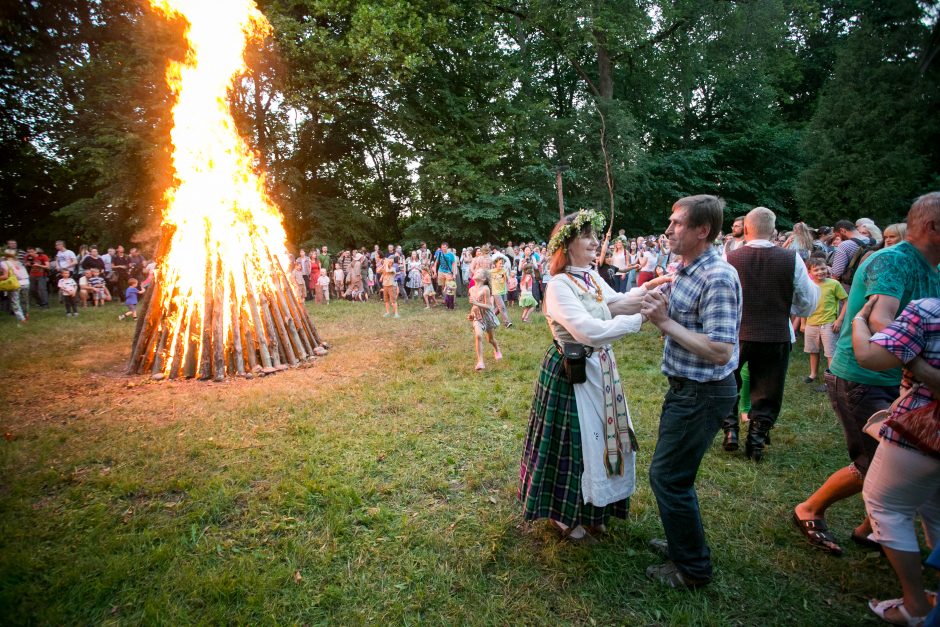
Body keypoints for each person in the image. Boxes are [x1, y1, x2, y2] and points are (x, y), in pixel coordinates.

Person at [794, 192, 940, 557]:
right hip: (861, 376)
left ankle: (872, 527)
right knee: (874, 460)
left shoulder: (932, 269)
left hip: (900, 381)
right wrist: (921, 367)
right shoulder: (891, 261)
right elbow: (880, 320)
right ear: (933, 227)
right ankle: (809, 509)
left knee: (903, 460)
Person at [519, 209, 651, 545]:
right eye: (588, 236)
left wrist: (649, 293)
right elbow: (589, 331)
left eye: (596, 236)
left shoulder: (590, 277)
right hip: (571, 372)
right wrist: (638, 321)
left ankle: (595, 512)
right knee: (576, 442)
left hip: (600, 370)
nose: (596, 242)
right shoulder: (559, 285)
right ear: (568, 244)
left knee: (604, 437)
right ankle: (565, 518)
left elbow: (616, 302)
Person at [640, 194, 742, 589]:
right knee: (673, 474)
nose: (668, 230)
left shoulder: (716, 276)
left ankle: (693, 569)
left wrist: (664, 322)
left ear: (703, 230)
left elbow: (720, 350)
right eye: (671, 221)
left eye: (678, 223)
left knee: (668, 477)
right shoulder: (687, 268)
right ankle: (682, 544)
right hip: (687, 389)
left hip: (703, 392)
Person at [852, 296, 940, 626]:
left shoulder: (929, 311)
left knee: (886, 505)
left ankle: (915, 605)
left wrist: (859, 321)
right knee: (934, 506)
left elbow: (869, 356)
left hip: (923, 429)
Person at [722, 207, 819, 460]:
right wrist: (783, 306)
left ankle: (730, 428)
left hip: (737, 332)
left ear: (746, 229)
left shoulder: (730, 258)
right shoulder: (790, 259)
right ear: (773, 230)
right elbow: (808, 301)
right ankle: (755, 440)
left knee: (729, 380)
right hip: (775, 331)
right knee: (769, 387)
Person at [802, 258, 848, 387]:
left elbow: (846, 301)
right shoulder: (808, 285)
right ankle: (813, 374)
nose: (820, 272)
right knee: (813, 350)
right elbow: (804, 305)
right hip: (811, 323)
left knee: (830, 352)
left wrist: (839, 320)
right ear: (809, 272)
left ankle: (831, 379)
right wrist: (803, 323)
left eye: (822, 268)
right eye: (816, 270)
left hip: (828, 323)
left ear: (827, 268)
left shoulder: (834, 284)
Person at [467, 269, 502, 370]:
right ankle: (480, 361)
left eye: (478, 272)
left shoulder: (486, 289)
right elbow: (474, 305)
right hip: (477, 317)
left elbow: (489, 306)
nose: (475, 272)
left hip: (487, 316)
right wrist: (471, 315)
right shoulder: (471, 289)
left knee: (490, 339)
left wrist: (476, 303)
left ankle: (497, 349)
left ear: (483, 278)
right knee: (478, 336)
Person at [0, 249, 26, 323]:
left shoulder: (4, 263)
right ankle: (22, 318)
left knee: (14, 302)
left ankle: (21, 319)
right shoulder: (14, 263)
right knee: (15, 301)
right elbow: (19, 275)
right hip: (16, 283)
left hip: (9, 284)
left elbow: (5, 276)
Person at [489, 257, 512, 327]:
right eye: (500, 263)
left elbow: (506, 281)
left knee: (499, 308)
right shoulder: (491, 272)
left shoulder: (503, 271)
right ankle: (507, 322)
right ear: (495, 263)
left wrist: (507, 275)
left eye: (503, 264)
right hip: (495, 291)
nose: (501, 265)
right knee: (502, 307)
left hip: (502, 291)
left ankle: (490, 319)